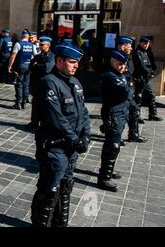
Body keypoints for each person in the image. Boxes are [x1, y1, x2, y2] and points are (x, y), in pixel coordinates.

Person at [31, 42, 91, 227]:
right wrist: (75, 140)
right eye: (72, 62)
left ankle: (60, 224)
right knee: (49, 190)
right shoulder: (48, 83)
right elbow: (55, 118)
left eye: (77, 62)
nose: (76, 65)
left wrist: (86, 135)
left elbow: (84, 112)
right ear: (59, 61)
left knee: (65, 187)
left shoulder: (75, 83)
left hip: (70, 149)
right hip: (54, 147)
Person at [97, 51, 132, 192]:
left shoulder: (121, 74)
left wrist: (128, 86)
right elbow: (126, 92)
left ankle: (108, 171)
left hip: (122, 112)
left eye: (124, 64)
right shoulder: (110, 75)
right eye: (120, 63)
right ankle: (104, 177)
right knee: (112, 145)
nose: (123, 66)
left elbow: (129, 89)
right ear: (112, 61)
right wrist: (128, 86)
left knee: (114, 146)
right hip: (114, 114)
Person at [116, 36, 147, 144]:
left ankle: (133, 134)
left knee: (134, 111)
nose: (131, 48)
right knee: (120, 115)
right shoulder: (117, 57)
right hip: (121, 91)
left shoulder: (127, 57)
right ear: (123, 46)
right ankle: (116, 137)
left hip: (129, 89)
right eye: (129, 46)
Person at [132, 36, 162, 121]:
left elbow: (151, 64)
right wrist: (150, 72)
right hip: (139, 78)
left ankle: (152, 114)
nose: (146, 45)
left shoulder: (146, 52)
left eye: (148, 43)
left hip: (145, 78)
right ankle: (136, 116)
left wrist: (151, 72)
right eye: (144, 43)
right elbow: (142, 66)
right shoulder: (137, 52)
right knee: (138, 97)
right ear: (140, 42)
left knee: (151, 96)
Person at [28, 36, 55, 128]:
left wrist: (37, 65)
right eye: (40, 44)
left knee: (45, 104)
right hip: (36, 83)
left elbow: (47, 68)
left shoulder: (51, 56)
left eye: (42, 44)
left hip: (46, 84)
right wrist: (36, 65)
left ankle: (44, 123)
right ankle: (34, 122)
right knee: (35, 103)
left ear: (48, 45)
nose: (40, 46)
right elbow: (30, 66)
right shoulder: (38, 56)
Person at [8, 30, 38, 109]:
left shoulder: (18, 44)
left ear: (22, 36)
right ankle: (24, 101)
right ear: (28, 37)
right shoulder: (32, 45)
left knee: (19, 84)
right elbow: (36, 56)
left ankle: (18, 102)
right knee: (26, 84)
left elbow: (13, 56)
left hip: (20, 66)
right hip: (29, 66)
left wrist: (10, 65)